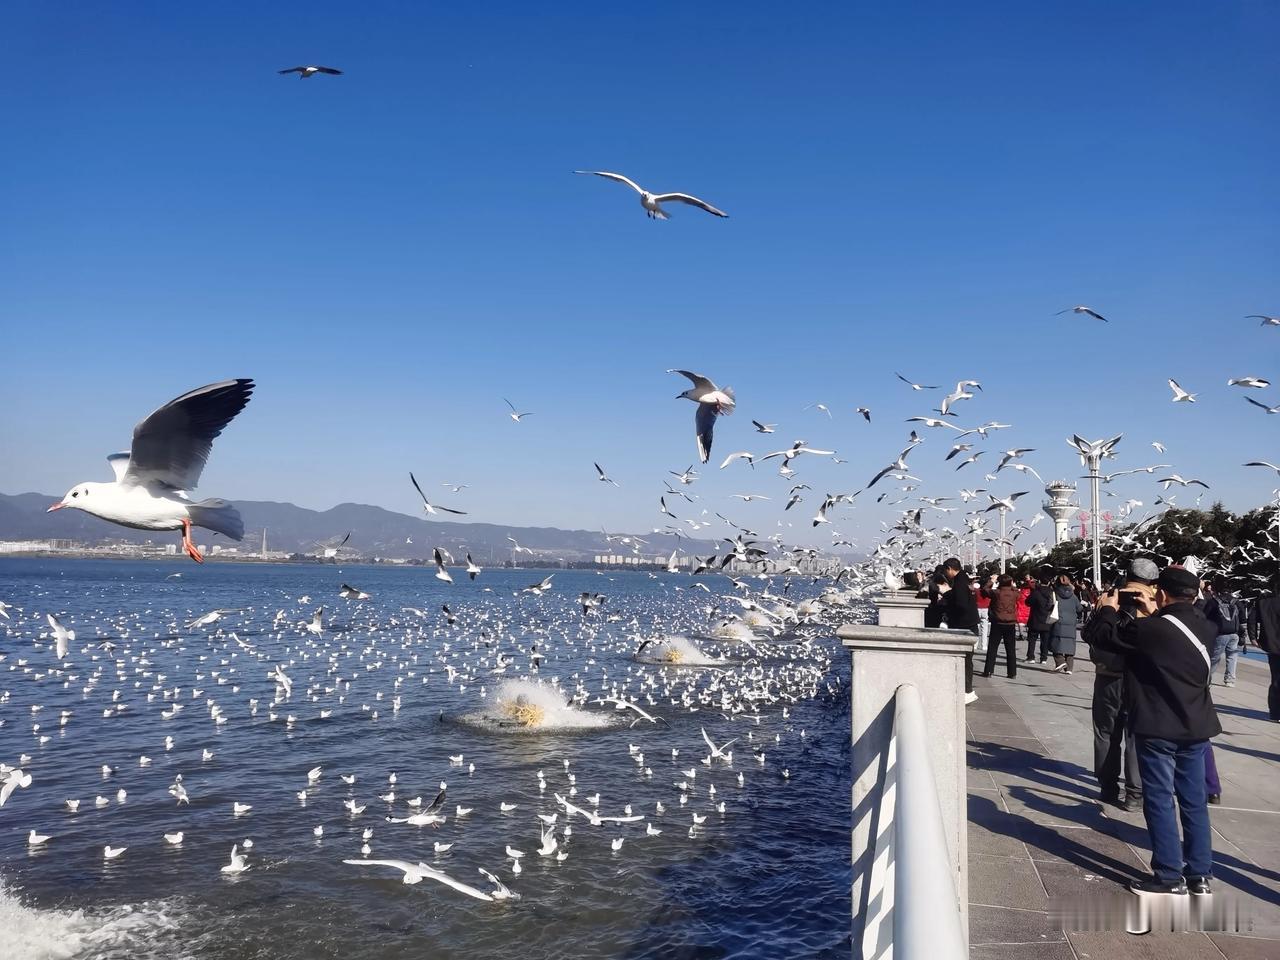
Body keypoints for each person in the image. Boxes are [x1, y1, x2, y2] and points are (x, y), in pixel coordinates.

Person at [1090, 566, 1221, 896]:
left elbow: (1103, 637)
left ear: (1161, 592)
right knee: (1193, 802)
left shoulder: (1151, 630)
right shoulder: (1207, 626)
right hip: (1196, 726)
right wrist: (1154, 613)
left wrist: (1107, 607)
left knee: (1160, 799)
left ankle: (1167, 875)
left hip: (1159, 727)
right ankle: (1199, 876)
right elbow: (1173, 640)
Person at [1082, 559, 1156, 809]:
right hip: (1142, 679)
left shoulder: (1109, 597)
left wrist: (1106, 610)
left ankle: (1108, 786)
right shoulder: (1157, 602)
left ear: (1127, 575)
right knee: (1135, 735)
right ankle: (1135, 794)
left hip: (1109, 675)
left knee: (1105, 732)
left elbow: (1088, 633)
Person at [941, 557, 979, 701]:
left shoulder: (959, 583)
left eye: (946, 570)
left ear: (950, 569)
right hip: (969, 625)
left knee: (966, 660)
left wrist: (950, 607)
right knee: (966, 660)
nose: (946, 573)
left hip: (965, 626)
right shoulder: (962, 581)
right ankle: (966, 690)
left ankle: (967, 691)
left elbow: (961, 604)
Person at [1245, 581, 1280, 722]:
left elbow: (1251, 619)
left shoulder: (1264, 602)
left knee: (1276, 679)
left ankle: (1275, 713)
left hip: (1272, 645)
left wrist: (1253, 637)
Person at [1203, 579, 1243, 687]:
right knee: (1232, 656)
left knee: (1215, 657)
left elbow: (1205, 616)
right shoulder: (1236, 601)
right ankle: (1230, 680)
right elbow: (1243, 616)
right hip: (1234, 633)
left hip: (1221, 633)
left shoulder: (1214, 601)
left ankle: (1207, 679)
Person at [980, 574, 1019, 678]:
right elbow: (1017, 591)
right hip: (1010, 623)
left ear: (1000, 582)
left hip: (997, 622)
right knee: (1010, 649)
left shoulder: (996, 593)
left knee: (992, 648)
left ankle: (988, 671)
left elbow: (984, 590)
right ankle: (1012, 673)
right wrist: (1011, 584)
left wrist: (992, 580)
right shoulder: (1015, 593)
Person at [1049, 572, 1081, 673]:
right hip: (1071, 623)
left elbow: (1049, 606)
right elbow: (1079, 608)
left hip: (1059, 621)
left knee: (1055, 643)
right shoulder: (1073, 596)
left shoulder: (1055, 594)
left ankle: (1060, 660)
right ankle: (1069, 668)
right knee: (1070, 645)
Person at [1025, 574, 1054, 663]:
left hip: (1035, 618)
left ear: (1040, 582)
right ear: (1049, 582)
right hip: (1047, 619)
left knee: (1032, 639)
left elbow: (1028, 602)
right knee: (1045, 640)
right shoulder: (1052, 593)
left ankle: (1031, 657)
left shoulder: (1036, 592)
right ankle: (1043, 658)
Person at [974, 574, 992, 654]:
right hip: (986, 609)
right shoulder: (988, 591)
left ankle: (975, 645)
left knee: (976, 628)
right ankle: (984, 645)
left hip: (977, 609)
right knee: (984, 629)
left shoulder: (976, 591)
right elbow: (991, 583)